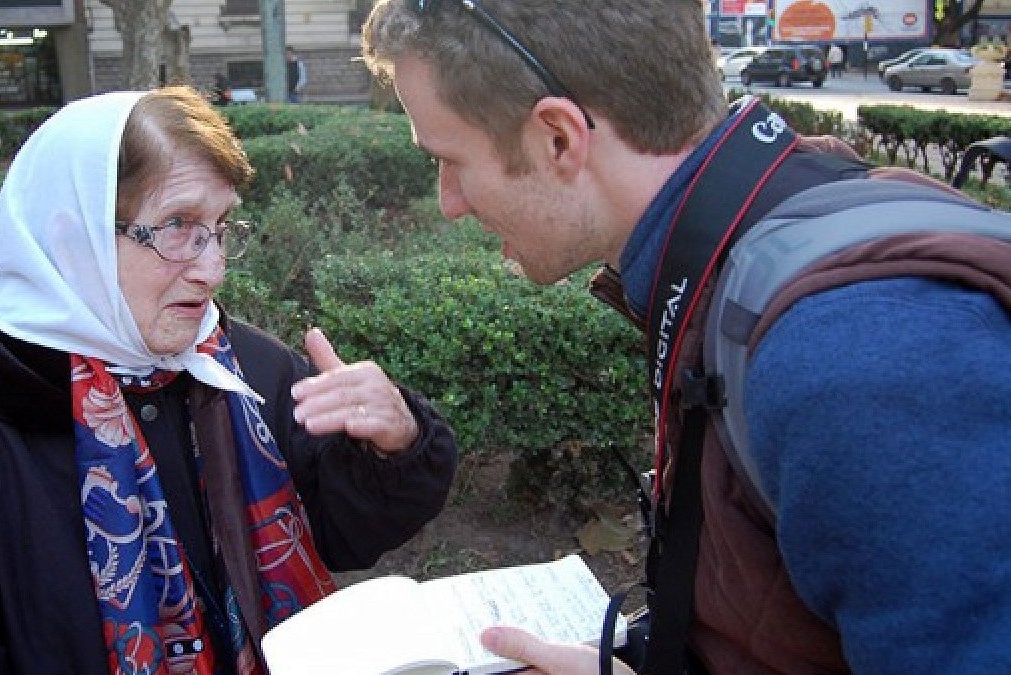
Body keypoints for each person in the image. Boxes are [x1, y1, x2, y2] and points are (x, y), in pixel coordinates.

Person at [361, 1, 1011, 674]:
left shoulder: (858, 354)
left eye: (447, 158)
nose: (448, 202)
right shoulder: (749, 244)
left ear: (557, 137)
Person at [0, 85, 459, 673]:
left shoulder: (233, 361)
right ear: (70, 238)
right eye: (178, 228)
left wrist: (395, 443)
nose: (211, 269)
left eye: (220, 229)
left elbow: (343, 528)